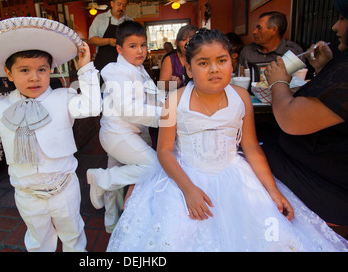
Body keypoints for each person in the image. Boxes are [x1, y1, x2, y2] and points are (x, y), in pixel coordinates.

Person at [106, 28, 348, 252]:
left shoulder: (241, 98)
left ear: (231, 63)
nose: (214, 69)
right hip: (185, 178)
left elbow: (251, 147)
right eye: (203, 63)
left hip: (235, 177)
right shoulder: (175, 100)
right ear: (189, 70)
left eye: (221, 61)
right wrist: (189, 190)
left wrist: (272, 191)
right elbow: (165, 151)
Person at [0, 17, 101, 252]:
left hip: (64, 187)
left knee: (73, 234)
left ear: (50, 70)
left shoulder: (63, 98)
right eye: (24, 70)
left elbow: (92, 107)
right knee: (39, 240)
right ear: (8, 74)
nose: (34, 77)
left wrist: (86, 69)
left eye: (42, 70)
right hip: (27, 193)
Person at [262, 0, 348, 227]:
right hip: (319, 163)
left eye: (342, 18)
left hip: (329, 186)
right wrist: (323, 69)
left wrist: (278, 81)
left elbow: (290, 120)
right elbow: (333, 107)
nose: (335, 27)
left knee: (243, 157)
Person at [86, 21, 164, 233]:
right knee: (155, 167)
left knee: (118, 176)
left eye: (143, 45)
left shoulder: (139, 69)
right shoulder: (115, 70)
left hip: (134, 132)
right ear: (119, 49)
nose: (140, 50)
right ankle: (101, 179)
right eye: (133, 46)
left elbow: (153, 100)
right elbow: (129, 109)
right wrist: (166, 116)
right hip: (117, 134)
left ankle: (111, 223)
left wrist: (172, 103)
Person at [239, 11, 303, 81]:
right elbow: (238, 77)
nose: (254, 31)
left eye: (259, 28)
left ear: (273, 30)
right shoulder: (247, 51)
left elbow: (297, 82)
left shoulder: (293, 52)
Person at [88, 0, 132, 71]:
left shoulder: (129, 21)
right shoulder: (100, 19)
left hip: (124, 65)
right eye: (119, 4)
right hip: (103, 64)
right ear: (112, 3)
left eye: (124, 5)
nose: (121, 8)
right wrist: (109, 41)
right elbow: (91, 39)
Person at [159, 25, 198, 91]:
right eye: (184, 39)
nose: (188, 42)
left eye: (192, 39)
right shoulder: (170, 59)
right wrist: (172, 84)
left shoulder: (205, 58)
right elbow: (161, 86)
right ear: (177, 43)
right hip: (177, 99)